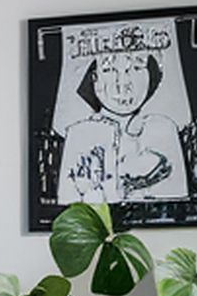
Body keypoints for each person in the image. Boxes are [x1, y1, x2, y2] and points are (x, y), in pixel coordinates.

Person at [57, 46, 188, 204]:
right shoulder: (79, 134)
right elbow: (69, 201)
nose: (123, 83)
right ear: (93, 78)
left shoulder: (163, 129)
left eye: (137, 68)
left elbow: (174, 198)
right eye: (109, 70)